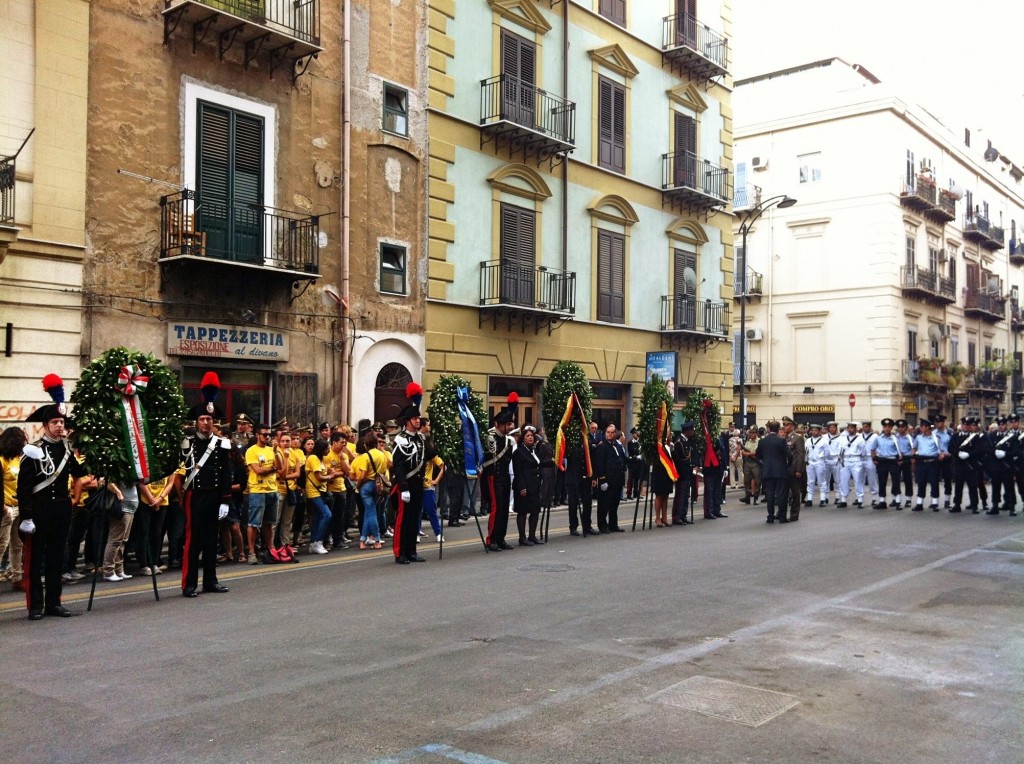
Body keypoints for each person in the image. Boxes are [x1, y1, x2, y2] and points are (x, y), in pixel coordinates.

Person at [17, 375, 89, 619]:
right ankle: (35, 605)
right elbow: (24, 488)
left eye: (62, 422)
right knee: (36, 560)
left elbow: (80, 473)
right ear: (45, 425)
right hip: (39, 510)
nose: (60, 426)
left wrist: (102, 456)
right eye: (55, 422)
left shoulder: (67, 449)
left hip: (61, 509)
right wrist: (26, 517)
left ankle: (54, 603)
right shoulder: (34, 451)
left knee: (57, 557)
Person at [179, 375, 233, 597]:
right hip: (196, 495)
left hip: (215, 496)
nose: (206, 423)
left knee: (212, 540)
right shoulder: (187, 442)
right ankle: (189, 583)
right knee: (194, 541)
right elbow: (180, 470)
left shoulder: (222, 444)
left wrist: (225, 500)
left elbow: (226, 473)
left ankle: (210, 581)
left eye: (210, 420)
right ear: (196, 422)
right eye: (202, 419)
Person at [391, 390, 427, 564]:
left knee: (414, 520)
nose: (418, 421)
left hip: (418, 485)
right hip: (406, 485)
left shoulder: (420, 438)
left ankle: (412, 551)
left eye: (418, 419)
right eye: (415, 419)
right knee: (403, 520)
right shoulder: (400, 439)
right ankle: (400, 552)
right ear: (407, 422)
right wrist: (403, 487)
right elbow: (398, 466)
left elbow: (425, 458)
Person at [245, 422, 280, 562]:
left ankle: (270, 548)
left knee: (269, 522)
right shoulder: (251, 451)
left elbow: (280, 467)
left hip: (272, 489)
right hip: (258, 491)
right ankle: (251, 552)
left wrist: (276, 451)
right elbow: (258, 470)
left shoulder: (271, 450)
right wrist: (272, 469)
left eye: (269, 435)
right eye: (264, 434)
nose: (267, 437)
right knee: (254, 523)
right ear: (257, 435)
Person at [482, 407, 516, 550]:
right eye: (507, 424)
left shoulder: (509, 441)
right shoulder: (489, 437)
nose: (510, 427)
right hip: (492, 476)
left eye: (510, 424)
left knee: (503, 509)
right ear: (498, 424)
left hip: (505, 476)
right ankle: (491, 539)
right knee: (496, 508)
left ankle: (501, 538)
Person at [350, 431, 391, 549]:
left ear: (366, 444)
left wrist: (357, 486)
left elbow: (362, 476)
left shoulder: (365, 456)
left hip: (366, 485)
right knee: (369, 513)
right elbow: (383, 471)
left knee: (371, 513)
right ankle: (363, 540)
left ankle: (376, 539)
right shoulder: (382, 455)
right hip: (378, 485)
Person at [0, 427, 27, 589]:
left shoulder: (19, 459)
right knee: (2, 543)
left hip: (19, 505)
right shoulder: (2, 460)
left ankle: (17, 577)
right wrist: (3, 506)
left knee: (18, 545)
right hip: (6, 508)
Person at [512, 424, 544, 545]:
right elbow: (518, 472)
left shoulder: (534, 451)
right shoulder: (519, 453)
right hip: (524, 486)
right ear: (523, 438)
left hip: (535, 486)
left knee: (535, 511)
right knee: (523, 512)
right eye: (528, 436)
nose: (531, 438)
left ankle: (532, 535)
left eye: (532, 436)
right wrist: (522, 487)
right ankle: (522, 537)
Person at [594, 423, 628, 533]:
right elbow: (599, 465)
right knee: (604, 505)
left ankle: (613, 525)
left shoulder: (618, 446)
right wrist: (602, 480)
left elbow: (623, 460)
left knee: (614, 504)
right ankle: (602, 525)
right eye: (608, 432)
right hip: (607, 481)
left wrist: (636, 460)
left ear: (615, 434)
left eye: (612, 433)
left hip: (617, 480)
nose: (610, 434)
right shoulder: (602, 447)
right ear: (605, 434)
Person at [755, 420, 789, 523]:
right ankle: (782, 516)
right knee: (781, 494)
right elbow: (789, 455)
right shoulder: (781, 441)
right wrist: (787, 465)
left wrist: (765, 462)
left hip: (768, 471)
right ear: (778, 429)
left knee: (769, 494)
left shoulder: (763, 441)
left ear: (768, 429)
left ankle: (770, 516)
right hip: (781, 471)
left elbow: (758, 455)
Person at [303, 439, 334, 554]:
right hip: (314, 492)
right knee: (327, 515)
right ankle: (318, 541)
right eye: (327, 449)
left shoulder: (321, 460)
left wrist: (329, 472)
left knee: (317, 517)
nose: (328, 451)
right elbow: (319, 477)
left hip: (321, 491)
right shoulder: (313, 458)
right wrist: (330, 476)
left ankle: (313, 542)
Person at [911, 417, 947, 511]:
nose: (920, 428)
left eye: (922, 426)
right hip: (921, 462)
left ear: (927, 427)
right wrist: (914, 456)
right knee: (921, 482)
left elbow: (941, 450)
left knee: (934, 482)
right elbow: (914, 448)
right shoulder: (918, 437)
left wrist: (941, 455)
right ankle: (919, 503)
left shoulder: (936, 438)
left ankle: (934, 502)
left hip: (932, 462)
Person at [419, 417, 445, 542]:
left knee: (431, 510)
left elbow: (443, 466)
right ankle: (416, 533)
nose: (429, 427)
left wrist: (436, 480)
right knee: (417, 511)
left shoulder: (429, 445)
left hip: (427, 485)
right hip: (416, 484)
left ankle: (438, 532)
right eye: (428, 425)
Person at [949, 416, 983, 514]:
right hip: (959, 464)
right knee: (958, 485)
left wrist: (969, 454)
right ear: (961, 425)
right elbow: (950, 448)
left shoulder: (975, 437)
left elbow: (979, 450)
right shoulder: (955, 436)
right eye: (964, 424)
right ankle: (957, 504)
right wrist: (957, 454)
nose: (966, 426)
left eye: (968, 425)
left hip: (970, 465)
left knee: (972, 486)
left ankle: (974, 505)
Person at [983, 415, 1016, 515]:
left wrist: (1005, 454)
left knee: (1009, 487)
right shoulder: (992, 436)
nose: (1001, 426)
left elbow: (1016, 451)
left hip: (1007, 466)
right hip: (996, 466)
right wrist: (994, 453)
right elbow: (988, 449)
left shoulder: (1012, 437)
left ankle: (1011, 507)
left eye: (1003, 424)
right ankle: (995, 506)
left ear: (1007, 425)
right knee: (995, 487)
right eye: (999, 424)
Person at [871, 418, 903, 509]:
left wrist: (900, 460)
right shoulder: (878, 438)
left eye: (889, 427)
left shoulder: (895, 439)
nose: (887, 428)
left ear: (892, 428)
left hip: (892, 461)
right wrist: (874, 459)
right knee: (882, 481)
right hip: (881, 461)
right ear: (883, 427)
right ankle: (882, 501)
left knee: (896, 481)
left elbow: (899, 451)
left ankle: (897, 501)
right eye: (885, 427)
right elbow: (872, 449)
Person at [671, 423, 696, 525]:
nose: (693, 432)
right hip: (681, 473)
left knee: (686, 495)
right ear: (687, 431)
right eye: (692, 430)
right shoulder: (678, 442)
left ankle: (683, 515)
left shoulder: (687, 441)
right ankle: (677, 516)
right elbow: (679, 459)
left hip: (687, 473)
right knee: (680, 495)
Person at [782, 417, 806, 521]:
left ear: (792, 426)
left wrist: (799, 470)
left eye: (786, 425)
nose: (784, 427)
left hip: (793, 470)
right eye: (784, 425)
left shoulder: (798, 438)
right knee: (783, 493)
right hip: (783, 470)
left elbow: (801, 455)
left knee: (795, 493)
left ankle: (794, 514)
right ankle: (781, 513)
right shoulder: (783, 438)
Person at [804, 423, 828, 506]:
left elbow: (827, 452)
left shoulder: (824, 441)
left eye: (816, 430)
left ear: (819, 431)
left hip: (819, 461)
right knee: (810, 481)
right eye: (813, 430)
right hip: (810, 462)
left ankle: (823, 499)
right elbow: (805, 452)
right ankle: (809, 499)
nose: (814, 432)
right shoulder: (808, 441)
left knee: (821, 481)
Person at [740, 427, 761, 505]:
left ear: (756, 433)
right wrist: (747, 453)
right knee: (746, 480)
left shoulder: (759, 441)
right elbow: (743, 451)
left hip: (756, 462)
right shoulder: (748, 442)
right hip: (748, 462)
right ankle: (747, 497)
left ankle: (756, 498)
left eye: (752, 433)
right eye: (750, 433)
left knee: (757, 481)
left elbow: (756, 452)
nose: (751, 434)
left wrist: (747, 453)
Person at [625, 427, 645, 500]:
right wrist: (636, 456)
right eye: (635, 433)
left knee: (637, 479)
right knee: (631, 479)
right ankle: (629, 494)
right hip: (632, 463)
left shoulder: (639, 442)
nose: (637, 435)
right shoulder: (630, 442)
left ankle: (636, 494)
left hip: (638, 463)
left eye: (637, 433)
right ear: (633, 434)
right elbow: (632, 452)